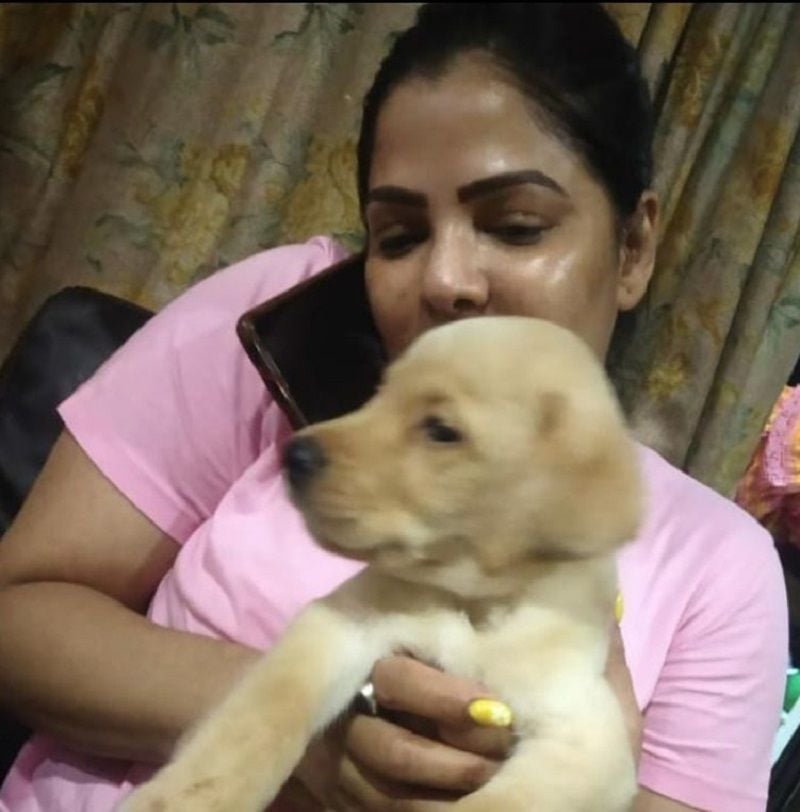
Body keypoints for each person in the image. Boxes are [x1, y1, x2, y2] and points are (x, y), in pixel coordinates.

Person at [0, 4, 787, 811]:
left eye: (516, 226)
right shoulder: (285, 319)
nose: (445, 278)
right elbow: (17, 618)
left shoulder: (717, 565)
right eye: (400, 236)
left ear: (633, 248)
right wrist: (301, 720)